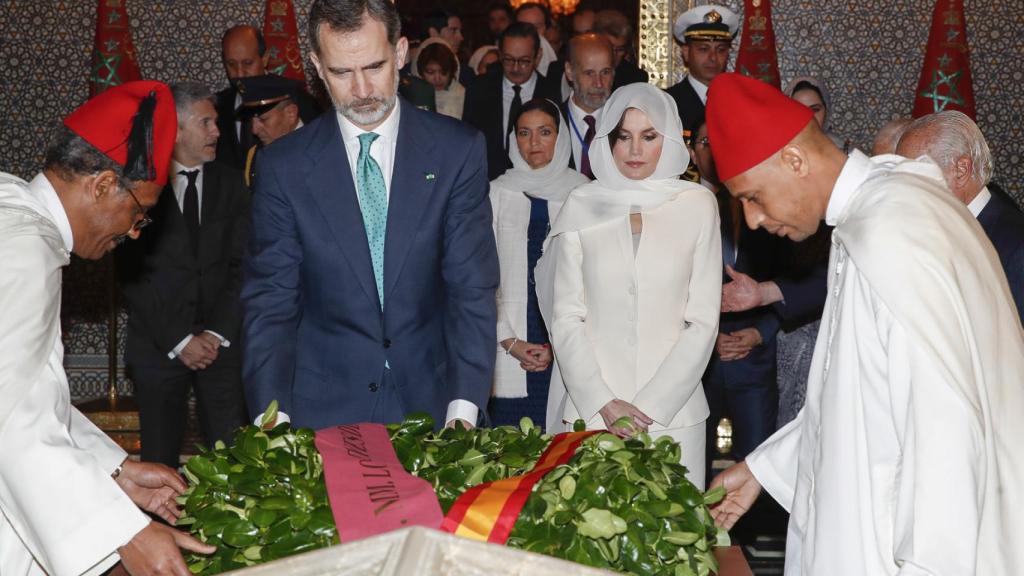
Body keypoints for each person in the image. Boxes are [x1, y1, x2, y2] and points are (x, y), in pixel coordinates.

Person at [706, 72, 1024, 575]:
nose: (751, 220)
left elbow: (946, 425)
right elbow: (855, 393)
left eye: (753, 197)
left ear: (793, 160)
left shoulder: (893, 228)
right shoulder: (874, 212)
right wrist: (763, 469)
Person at [243, 0, 499, 431]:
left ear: (400, 53)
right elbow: (271, 303)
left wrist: (464, 412)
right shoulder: (283, 167)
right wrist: (273, 422)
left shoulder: (458, 152)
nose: (362, 90)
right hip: (320, 415)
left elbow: (470, 289)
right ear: (317, 67)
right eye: (342, 73)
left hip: (434, 408)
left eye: (375, 67)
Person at [0, 81, 214, 575]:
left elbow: (25, 394)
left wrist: (112, 468)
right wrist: (126, 533)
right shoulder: (25, 254)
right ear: (101, 185)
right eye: (139, 214)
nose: (133, 234)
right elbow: (12, 425)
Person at [538, 84, 721, 489]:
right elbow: (565, 316)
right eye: (624, 136)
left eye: (649, 136)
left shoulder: (697, 205)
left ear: (669, 138)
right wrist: (603, 401)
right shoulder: (580, 203)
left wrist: (648, 408)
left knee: (672, 544)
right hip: (590, 412)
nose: (635, 149)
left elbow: (703, 320)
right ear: (608, 140)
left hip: (674, 415)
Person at [120, 81, 251, 470]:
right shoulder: (139, 187)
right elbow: (130, 275)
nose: (218, 131)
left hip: (221, 347)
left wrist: (214, 333)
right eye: (206, 123)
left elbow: (244, 265)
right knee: (158, 463)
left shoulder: (232, 184)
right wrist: (179, 339)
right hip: (158, 347)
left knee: (233, 462)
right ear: (174, 129)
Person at [489, 99, 589, 428]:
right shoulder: (494, 194)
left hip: (569, 345)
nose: (534, 143)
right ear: (512, 139)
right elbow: (480, 277)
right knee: (508, 457)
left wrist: (558, 347)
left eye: (544, 132)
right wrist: (509, 341)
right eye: (524, 133)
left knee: (561, 456)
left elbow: (595, 280)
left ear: (559, 138)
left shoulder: (584, 194)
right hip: (507, 346)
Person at [897, 110, 1024, 324]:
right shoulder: (937, 228)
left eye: (914, 174)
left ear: (961, 170)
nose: (903, 188)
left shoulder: (1016, 244)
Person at [463, 22, 561, 180]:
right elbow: (467, 140)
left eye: (524, 61)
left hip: (537, 183)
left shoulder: (552, 93)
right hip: (488, 184)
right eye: (508, 60)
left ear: (538, 56)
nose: (515, 68)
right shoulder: (479, 88)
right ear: (500, 54)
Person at [215, 26, 319, 170]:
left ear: (264, 58)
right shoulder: (215, 108)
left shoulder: (300, 100)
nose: (239, 73)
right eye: (231, 64)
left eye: (247, 63)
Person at [666, 5, 737, 136]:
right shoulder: (667, 102)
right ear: (686, 53)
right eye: (704, 49)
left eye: (721, 50)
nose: (713, 58)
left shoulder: (738, 103)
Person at [235, 74, 309, 187]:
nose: (254, 130)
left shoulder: (321, 147)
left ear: (291, 113)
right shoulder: (255, 154)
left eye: (263, 119)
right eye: (251, 121)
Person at [560, 33, 615, 178]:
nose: (598, 83)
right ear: (570, 71)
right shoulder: (552, 120)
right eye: (589, 73)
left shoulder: (623, 122)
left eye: (605, 72)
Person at [784, 76, 850, 153]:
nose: (808, 118)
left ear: (826, 111)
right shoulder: (777, 154)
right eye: (800, 110)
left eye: (815, 110)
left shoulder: (844, 152)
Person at [593, 9, 649, 90]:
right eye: (610, 47)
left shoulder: (636, 79)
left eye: (620, 49)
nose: (614, 54)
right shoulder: (582, 70)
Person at [411, 38, 465, 119]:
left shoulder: (464, 97)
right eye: (430, 72)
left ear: (451, 72)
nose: (437, 78)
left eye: (443, 72)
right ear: (420, 72)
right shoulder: (411, 98)